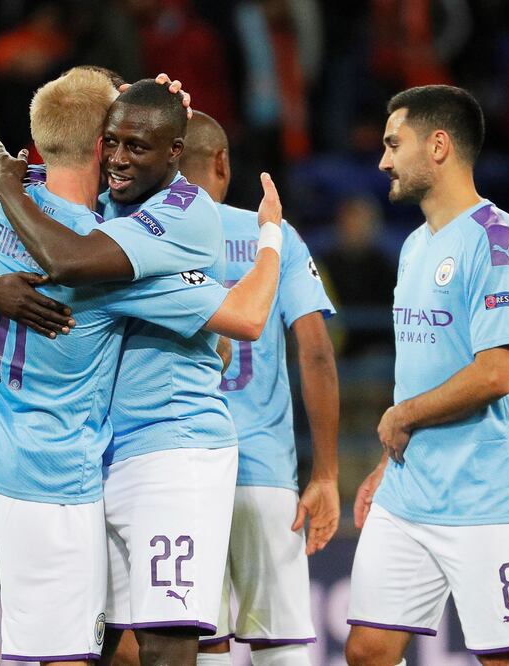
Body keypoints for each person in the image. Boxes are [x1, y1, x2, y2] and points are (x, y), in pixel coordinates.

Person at [0, 70, 286, 666]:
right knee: (59, 657)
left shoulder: (10, 204)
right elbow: (244, 317)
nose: (125, 155)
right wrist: (269, 239)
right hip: (52, 478)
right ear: (104, 144)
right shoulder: (106, 254)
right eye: (118, 140)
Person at [345, 85, 509, 666]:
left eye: (393, 143)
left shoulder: (497, 241)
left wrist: (401, 416)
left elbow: (495, 375)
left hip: (483, 495)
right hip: (409, 491)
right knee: (368, 650)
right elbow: (422, 370)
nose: (382, 160)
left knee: (504, 659)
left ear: (438, 146)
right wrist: (388, 461)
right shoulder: (411, 247)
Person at [172, 111, 340, 666]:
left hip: (182, 470)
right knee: (282, 645)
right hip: (265, 470)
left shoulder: (152, 234)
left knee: (206, 644)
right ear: (222, 162)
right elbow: (314, 350)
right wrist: (326, 474)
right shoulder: (273, 235)